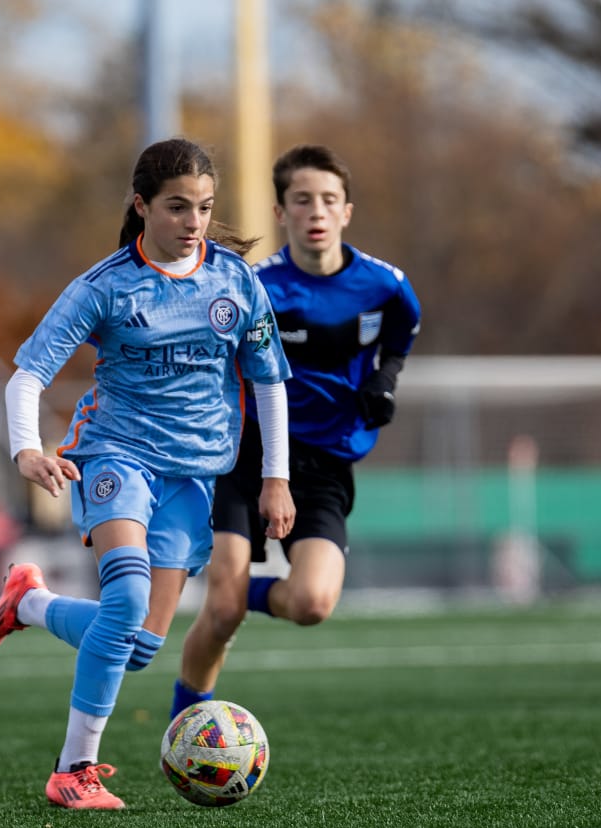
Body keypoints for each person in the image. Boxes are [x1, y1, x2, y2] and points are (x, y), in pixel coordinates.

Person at [0, 137, 296, 810]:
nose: (194, 221)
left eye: (204, 207)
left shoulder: (234, 280)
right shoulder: (106, 286)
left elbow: (269, 384)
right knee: (122, 604)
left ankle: (26, 603)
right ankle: (72, 770)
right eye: (178, 207)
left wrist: (276, 477)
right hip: (117, 455)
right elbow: (28, 374)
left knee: (140, 644)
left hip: (192, 477)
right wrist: (27, 447)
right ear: (142, 206)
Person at [172, 144, 421, 717]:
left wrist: (383, 379)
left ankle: (238, 594)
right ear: (281, 212)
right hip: (247, 455)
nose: (317, 211)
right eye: (302, 199)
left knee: (312, 602)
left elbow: (400, 337)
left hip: (328, 460)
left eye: (329, 200)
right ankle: (184, 726)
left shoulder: (386, 286)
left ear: (346, 212)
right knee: (221, 613)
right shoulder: (255, 287)